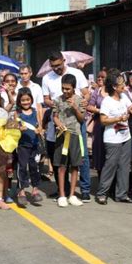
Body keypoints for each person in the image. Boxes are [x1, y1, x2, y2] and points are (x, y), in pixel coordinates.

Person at [42, 51, 91, 202]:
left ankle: (84, 189)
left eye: (58, 65)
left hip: (76, 122)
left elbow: (86, 93)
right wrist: (58, 103)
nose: (55, 68)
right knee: (60, 159)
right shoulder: (46, 78)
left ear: (64, 60)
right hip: (59, 123)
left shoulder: (76, 73)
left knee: (80, 157)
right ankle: (63, 191)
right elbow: (46, 99)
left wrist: (83, 102)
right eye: (52, 66)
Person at [96, 70, 132, 204]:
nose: (124, 86)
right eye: (122, 84)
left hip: (125, 137)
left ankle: (121, 194)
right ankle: (102, 193)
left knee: (124, 166)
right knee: (111, 165)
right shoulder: (107, 101)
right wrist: (118, 118)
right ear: (114, 86)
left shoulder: (124, 97)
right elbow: (103, 120)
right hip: (112, 139)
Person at [52, 74, 85, 207]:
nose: (65, 91)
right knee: (61, 166)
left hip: (75, 135)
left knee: (75, 166)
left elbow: (82, 119)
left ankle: (72, 195)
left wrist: (75, 108)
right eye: (63, 88)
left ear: (74, 88)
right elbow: (54, 116)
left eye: (68, 89)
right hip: (61, 135)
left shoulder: (79, 100)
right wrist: (58, 122)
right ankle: (62, 195)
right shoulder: (58, 100)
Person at [15, 87, 43, 207]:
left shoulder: (35, 112)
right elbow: (13, 125)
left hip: (35, 144)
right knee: (22, 167)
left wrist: (39, 130)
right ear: (19, 101)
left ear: (31, 99)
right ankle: (21, 191)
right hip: (22, 145)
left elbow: (40, 125)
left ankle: (35, 189)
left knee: (34, 167)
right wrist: (19, 128)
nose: (26, 102)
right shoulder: (18, 113)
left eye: (28, 100)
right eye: (23, 100)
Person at [86, 70, 107, 175]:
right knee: (98, 152)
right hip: (99, 124)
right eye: (98, 77)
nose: (100, 79)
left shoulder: (113, 91)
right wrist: (100, 111)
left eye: (103, 77)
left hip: (111, 125)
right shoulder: (96, 91)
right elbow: (89, 106)